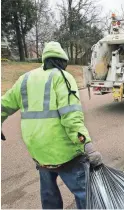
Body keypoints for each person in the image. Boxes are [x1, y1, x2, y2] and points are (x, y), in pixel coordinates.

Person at [1, 42, 102, 209]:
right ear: (63, 60)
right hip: (64, 151)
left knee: (48, 194)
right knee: (84, 193)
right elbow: (71, 118)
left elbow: (4, 104)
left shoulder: (25, 79)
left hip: (38, 149)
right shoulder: (62, 77)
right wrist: (88, 146)